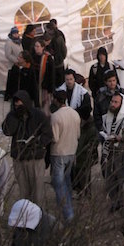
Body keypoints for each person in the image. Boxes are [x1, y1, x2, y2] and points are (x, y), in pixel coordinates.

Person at [2, 90, 52, 205]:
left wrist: (38, 143)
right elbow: (7, 131)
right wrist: (14, 116)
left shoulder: (38, 115)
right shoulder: (13, 115)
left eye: (21, 105)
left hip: (35, 158)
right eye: (16, 105)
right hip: (19, 158)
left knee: (38, 193)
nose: (18, 107)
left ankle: (39, 217)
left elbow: (48, 134)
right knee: (24, 192)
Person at [56, 69, 95, 196]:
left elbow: (87, 109)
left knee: (81, 161)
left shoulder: (82, 93)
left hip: (80, 127)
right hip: (66, 129)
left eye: (71, 79)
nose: (69, 82)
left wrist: (74, 114)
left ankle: (83, 188)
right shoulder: (59, 91)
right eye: (67, 80)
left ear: (74, 79)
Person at [48, 92, 80, 221]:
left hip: (59, 153)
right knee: (66, 181)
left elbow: (54, 138)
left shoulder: (55, 116)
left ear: (55, 100)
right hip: (71, 151)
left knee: (59, 184)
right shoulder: (74, 113)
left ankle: (68, 213)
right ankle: (67, 207)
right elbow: (78, 134)